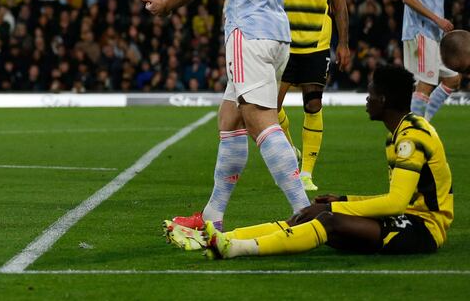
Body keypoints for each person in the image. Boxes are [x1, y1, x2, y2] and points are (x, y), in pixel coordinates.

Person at [142, 0, 310, 232]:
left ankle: (305, 211)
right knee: (229, 117)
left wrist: (167, 5)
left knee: (258, 118)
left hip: (246, 31)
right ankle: (212, 217)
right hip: (276, 31)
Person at [166, 65, 453, 259]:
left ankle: (237, 248)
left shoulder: (409, 138)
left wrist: (333, 206)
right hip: (409, 220)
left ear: (384, 99)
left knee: (325, 218)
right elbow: (399, 200)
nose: (367, 99)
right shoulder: (400, 134)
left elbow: (396, 203)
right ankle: (222, 237)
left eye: (371, 92)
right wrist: (345, 198)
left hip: (424, 230)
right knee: (312, 218)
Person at [276, 0, 350, 192]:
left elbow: (340, 5)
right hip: (281, 43)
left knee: (313, 104)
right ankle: (291, 150)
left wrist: (343, 43)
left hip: (316, 44)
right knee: (270, 108)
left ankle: (305, 173)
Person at [401, 0, 459, 121]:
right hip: (420, 32)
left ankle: (422, 125)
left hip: (434, 34)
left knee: (453, 78)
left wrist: (440, 24)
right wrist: (437, 19)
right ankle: (414, 133)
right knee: (425, 84)